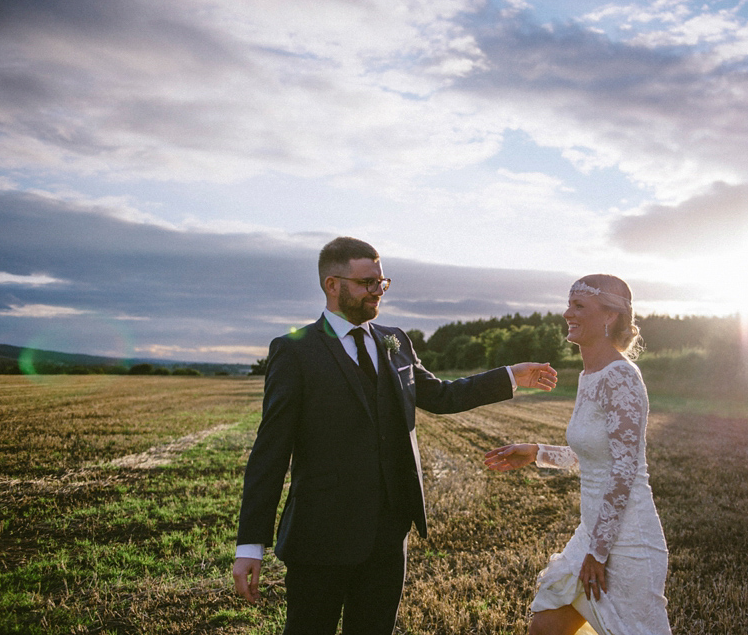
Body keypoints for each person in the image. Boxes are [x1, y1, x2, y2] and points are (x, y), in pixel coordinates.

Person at [232, 236, 558, 635]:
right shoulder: (295, 351)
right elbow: (270, 450)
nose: (377, 292)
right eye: (367, 283)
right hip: (321, 535)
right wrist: (250, 544)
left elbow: (440, 395)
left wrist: (509, 376)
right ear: (332, 285)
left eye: (381, 282)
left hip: (388, 535)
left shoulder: (395, 340)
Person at [484, 274, 671, 635]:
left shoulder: (622, 377)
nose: (568, 312)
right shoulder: (590, 376)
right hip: (592, 530)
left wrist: (599, 553)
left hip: (628, 540)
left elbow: (624, 469)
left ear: (609, 317)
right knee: (546, 627)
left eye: (579, 305)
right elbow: (590, 456)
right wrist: (537, 452)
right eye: (569, 303)